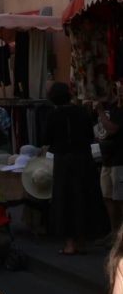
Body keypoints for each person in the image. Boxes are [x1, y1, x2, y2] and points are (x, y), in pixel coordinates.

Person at [44, 82, 108, 255]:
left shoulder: (52, 115)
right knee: (83, 197)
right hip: (83, 160)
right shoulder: (81, 113)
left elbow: (48, 138)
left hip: (63, 161)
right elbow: (89, 134)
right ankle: (81, 241)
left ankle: (69, 243)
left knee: (65, 199)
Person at [97, 82, 123, 241]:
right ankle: (114, 232)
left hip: (120, 158)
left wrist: (100, 112)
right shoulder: (108, 106)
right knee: (108, 196)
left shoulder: (119, 109)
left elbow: (112, 128)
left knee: (119, 198)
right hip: (107, 158)